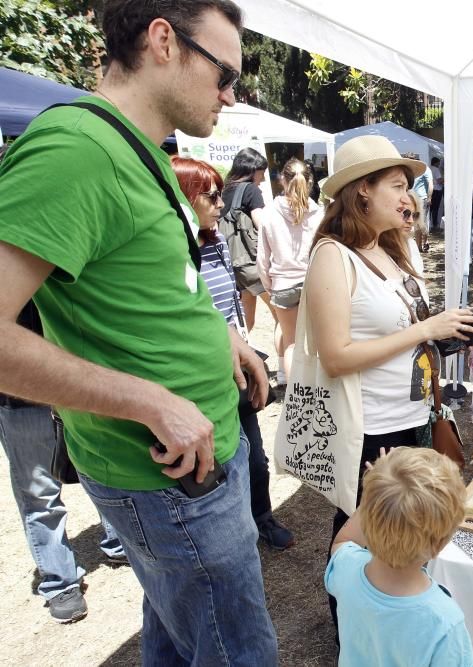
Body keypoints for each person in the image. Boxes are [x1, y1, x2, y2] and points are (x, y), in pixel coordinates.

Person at [0, 1, 278, 663]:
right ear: (163, 41)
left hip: (197, 463)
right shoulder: (73, 150)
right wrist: (151, 401)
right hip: (169, 478)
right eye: (224, 74)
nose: (231, 95)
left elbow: (158, 279)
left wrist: (222, 337)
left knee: (179, 640)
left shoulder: (136, 147)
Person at [303, 135, 473, 622]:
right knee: (363, 532)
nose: (411, 197)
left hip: (414, 416)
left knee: (410, 526)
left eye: (411, 187)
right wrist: (427, 328)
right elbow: (335, 356)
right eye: (399, 185)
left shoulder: (394, 249)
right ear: (363, 191)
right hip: (371, 427)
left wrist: (448, 329)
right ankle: (358, 631)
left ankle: (403, 620)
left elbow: (404, 330)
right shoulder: (332, 256)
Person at [172, 156, 295, 551]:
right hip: (202, 375)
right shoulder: (171, 254)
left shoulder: (218, 241)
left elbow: (233, 306)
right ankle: (235, 530)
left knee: (255, 457)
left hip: (237, 368)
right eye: (210, 195)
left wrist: (246, 350)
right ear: (184, 197)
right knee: (223, 462)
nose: (221, 203)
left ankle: (262, 519)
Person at [1, 306, 128, 625]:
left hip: (77, 383)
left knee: (100, 465)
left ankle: (119, 540)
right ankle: (60, 582)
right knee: (39, 495)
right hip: (21, 398)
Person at [325, 447, 473, 666]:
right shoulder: (443, 622)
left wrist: (375, 495)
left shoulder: (347, 569)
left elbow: (342, 541)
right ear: (439, 545)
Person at [258, 157, 323, 382]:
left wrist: (271, 286)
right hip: (314, 283)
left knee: (291, 343)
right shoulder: (319, 214)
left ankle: (295, 394)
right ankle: (316, 389)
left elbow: (262, 259)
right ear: (311, 181)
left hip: (283, 285)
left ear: (282, 180)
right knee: (316, 341)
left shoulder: (269, 213)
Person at [222, 146, 276, 333]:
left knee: (245, 319)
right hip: (251, 264)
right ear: (252, 170)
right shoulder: (250, 190)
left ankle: (239, 355)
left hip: (232, 263)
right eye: (262, 172)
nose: (263, 178)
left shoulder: (225, 189)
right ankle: (285, 361)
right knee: (282, 315)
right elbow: (261, 223)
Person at [410, 153, 434, 229]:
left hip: (421, 199)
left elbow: (430, 184)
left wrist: (429, 198)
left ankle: (424, 240)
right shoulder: (411, 169)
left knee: (421, 222)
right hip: (411, 198)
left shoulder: (425, 169)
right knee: (415, 222)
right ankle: (419, 240)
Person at [429, 156, 444, 236]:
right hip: (437, 190)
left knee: (430, 209)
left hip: (431, 190)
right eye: (438, 163)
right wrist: (445, 179)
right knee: (435, 209)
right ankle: (434, 225)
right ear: (436, 163)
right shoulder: (436, 169)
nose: (439, 164)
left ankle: (430, 225)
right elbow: (439, 180)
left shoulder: (429, 168)